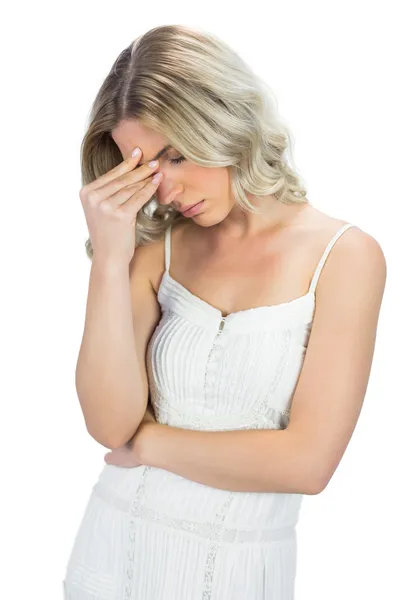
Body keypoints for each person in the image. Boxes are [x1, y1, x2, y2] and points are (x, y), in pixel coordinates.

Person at [62, 24, 386, 600]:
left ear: (226, 121)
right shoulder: (152, 253)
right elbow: (108, 426)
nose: (164, 190)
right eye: (142, 167)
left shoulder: (344, 257)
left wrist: (149, 446)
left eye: (177, 155)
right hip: (111, 562)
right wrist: (110, 260)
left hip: (240, 576)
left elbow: (307, 464)